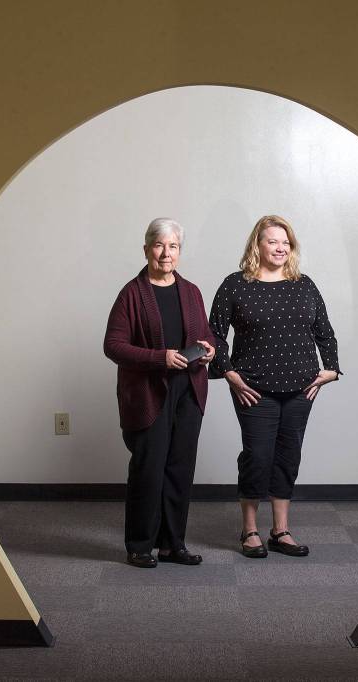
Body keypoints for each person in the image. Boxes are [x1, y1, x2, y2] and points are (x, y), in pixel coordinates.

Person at [209, 215, 342, 558]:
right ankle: (249, 530)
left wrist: (331, 370)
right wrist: (229, 374)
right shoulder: (236, 285)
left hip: (301, 388)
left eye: (286, 242)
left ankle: (280, 531)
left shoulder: (304, 284)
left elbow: (324, 330)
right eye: (273, 241)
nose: (280, 247)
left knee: (287, 456)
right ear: (258, 245)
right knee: (257, 456)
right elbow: (214, 335)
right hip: (253, 387)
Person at [104, 218, 215, 568]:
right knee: (148, 470)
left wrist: (208, 349)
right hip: (150, 392)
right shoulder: (131, 294)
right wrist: (160, 358)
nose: (166, 253)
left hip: (188, 391)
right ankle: (139, 545)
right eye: (159, 245)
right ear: (146, 249)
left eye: (173, 247)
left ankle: (172, 544)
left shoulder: (192, 291)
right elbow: (113, 346)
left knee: (179, 470)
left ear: (180, 252)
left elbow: (206, 335)